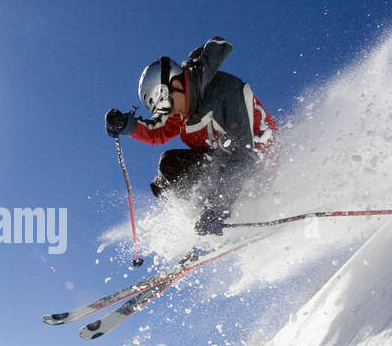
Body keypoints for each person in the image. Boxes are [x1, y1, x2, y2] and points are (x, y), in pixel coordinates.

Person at [105, 37, 278, 235]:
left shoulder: (226, 92)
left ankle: (217, 218)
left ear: (176, 84)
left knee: (182, 166)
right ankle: (203, 229)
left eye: (163, 104)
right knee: (163, 183)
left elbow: (244, 157)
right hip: (225, 162)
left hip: (259, 164)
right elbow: (156, 131)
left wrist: (216, 209)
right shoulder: (182, 108)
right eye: (160, 109)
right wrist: (125, 124)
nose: (166, 112)